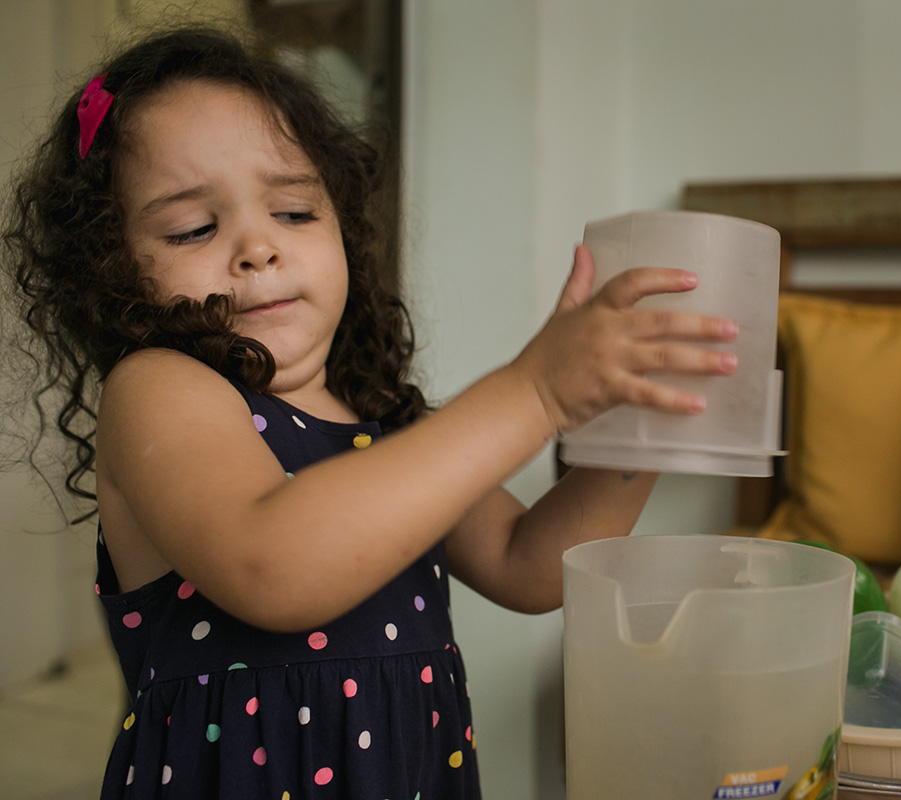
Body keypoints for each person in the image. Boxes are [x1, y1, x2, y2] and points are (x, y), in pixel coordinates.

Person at [1, 25, 738, 800]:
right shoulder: (158, 391)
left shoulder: (381, 424)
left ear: (345, 229)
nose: (258, 247)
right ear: (114, 270)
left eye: (293, 212)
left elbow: (531, 562)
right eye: (193, 228)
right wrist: (533, 391)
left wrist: (639, 418)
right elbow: (273, 563)